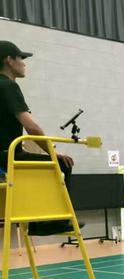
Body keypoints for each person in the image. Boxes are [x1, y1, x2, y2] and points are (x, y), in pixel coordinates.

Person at [1, 40, 77, 235]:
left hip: (5, 154)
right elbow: (31, 127)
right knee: (62, 165)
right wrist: (53, 153)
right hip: (7, 156)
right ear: (9, 60)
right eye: (21, 58)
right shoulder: (8, 86)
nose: (24, 63)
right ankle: (54, 222)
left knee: (35, 166)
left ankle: (37, 221)